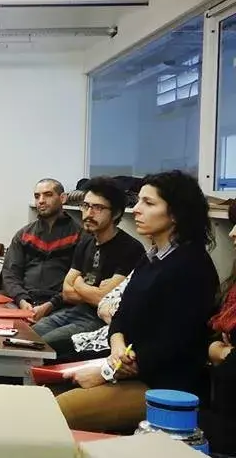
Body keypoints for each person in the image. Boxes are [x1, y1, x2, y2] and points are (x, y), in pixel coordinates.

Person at [55, 170, 219, 432]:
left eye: (148, 203)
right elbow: (121, 315)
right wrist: (117, 344)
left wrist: (108, 371)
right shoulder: (150, 258)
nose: (137, 210)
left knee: (57, 412)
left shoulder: (193, 266)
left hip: (163, 385)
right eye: (139, 201)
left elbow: (174, 343)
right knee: (49, 388)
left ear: (175, 214)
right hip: (126, 366)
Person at [33, 178, 145, 345]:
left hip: (99, 319)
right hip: (74, 311)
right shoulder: (86, 241)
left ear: (116, 213)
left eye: (97, 208)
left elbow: (102, 299)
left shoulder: (131, 248)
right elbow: (66, 291)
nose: (88, 213)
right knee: (28, 334)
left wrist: (78, 283)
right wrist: (90, 291)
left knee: (45, 344)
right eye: (85, 206)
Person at [2, 178, 86, 321]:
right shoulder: (24, 235)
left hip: (61, 306)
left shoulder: (80, 236)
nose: (41, 200)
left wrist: (50, 305)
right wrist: (22, 300)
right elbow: (10, 274)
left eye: (48, 194)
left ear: (63, 198)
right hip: (22, 302)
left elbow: (81, 281)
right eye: (37, 196)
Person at [200, 204, 236, 455]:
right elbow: (208, 339)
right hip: (222, 410)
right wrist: (219, 350)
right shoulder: (233, 284)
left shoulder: (193, 264)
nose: (232, 233)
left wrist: (224, 354)